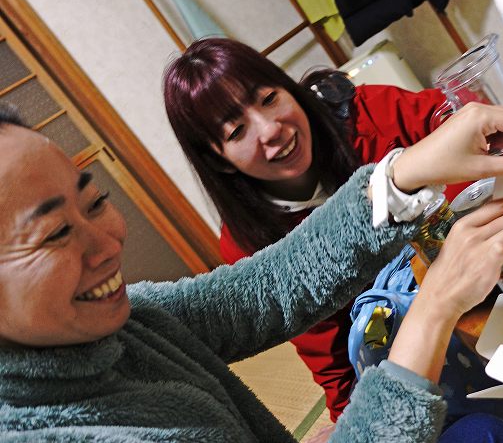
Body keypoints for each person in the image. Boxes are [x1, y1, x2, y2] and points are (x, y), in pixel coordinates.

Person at [0, 100, 503, 443]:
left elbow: (265, 289)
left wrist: (405, 173)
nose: (108, 244)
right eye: (52, 236)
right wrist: (436, 306)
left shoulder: (126, 322)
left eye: (94, 202)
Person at [162, 38, 473, 422]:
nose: (271, 129)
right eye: (237, 131)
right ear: (220, 161)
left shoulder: (359, 111)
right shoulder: (248, 242)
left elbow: (456, 128)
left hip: (480, 266)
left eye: (269, 98)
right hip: (420, 338)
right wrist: (354, 422)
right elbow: (324, 345)